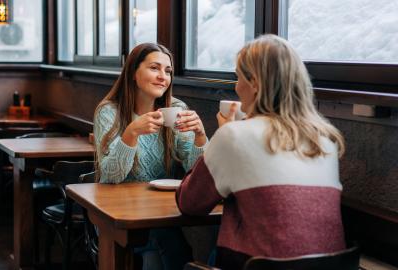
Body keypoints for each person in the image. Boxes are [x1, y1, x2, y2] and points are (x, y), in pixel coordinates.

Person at [176, 34, 346, 270]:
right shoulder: (325, 139)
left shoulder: (234, 136)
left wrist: (224, 137)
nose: (236, 87)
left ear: (254, 82)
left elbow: (189, 203)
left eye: (238, 77)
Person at [93, 43, 208, 269]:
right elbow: (110, 176)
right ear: (133, 73)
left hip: (164, 212)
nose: (162, 77)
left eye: (168, 71)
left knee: (178, 243)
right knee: (168, 246)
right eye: (155, 68)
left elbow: (195, 171)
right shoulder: (109, 112)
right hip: (118, 214)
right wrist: (131, 132)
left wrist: (200, 137)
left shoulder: (176, 108)